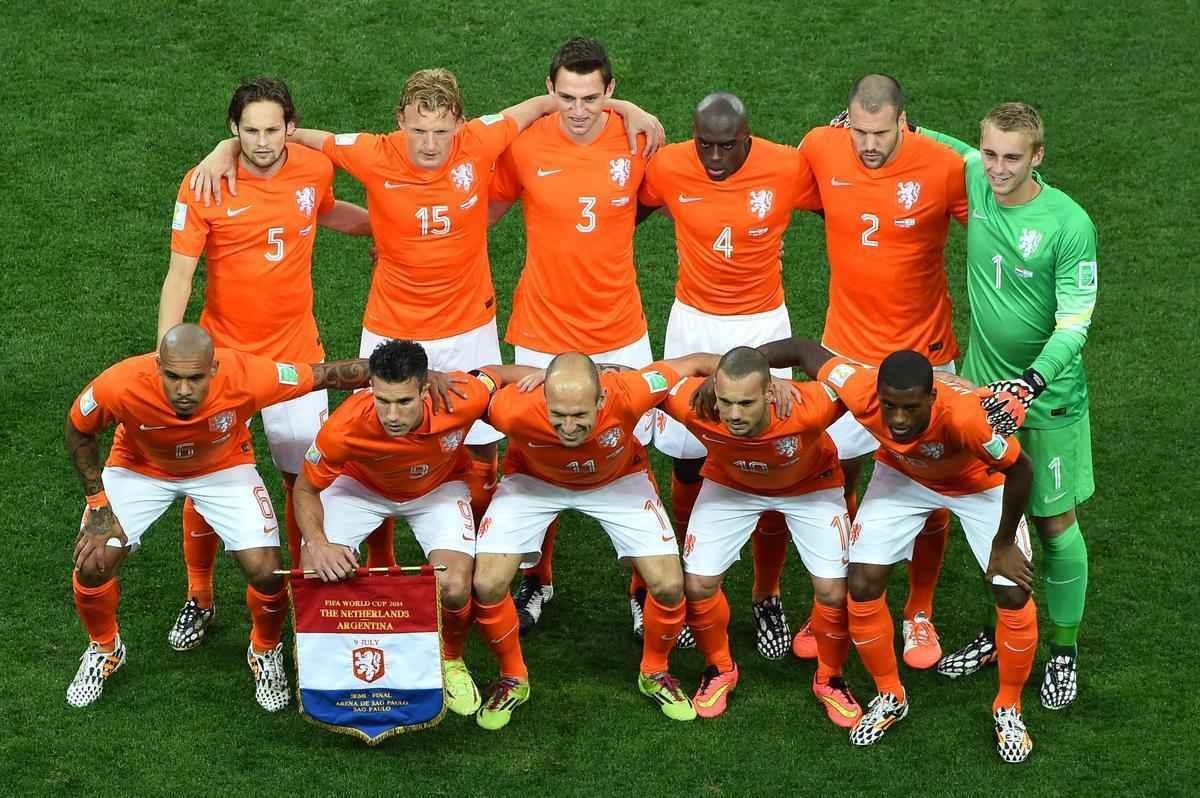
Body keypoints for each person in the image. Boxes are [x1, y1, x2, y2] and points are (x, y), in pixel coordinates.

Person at [188, 67, 663, 537]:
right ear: (399, 120)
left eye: (440, 131)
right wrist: (224, 147)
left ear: (460, 122)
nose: (430, 144)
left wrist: (626, 107)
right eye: (417, 130)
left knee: (481, 444)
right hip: (392, 328)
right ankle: (382, 567)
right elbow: (291, 136)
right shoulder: (371, 152)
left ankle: (477, 543)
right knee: (376, 445)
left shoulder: (482, 139)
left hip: (470, 326)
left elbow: (551, 102)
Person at [162, 76, 372, 652]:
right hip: (223, 361)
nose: (260, 141)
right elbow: (180, 276)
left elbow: (324, 212)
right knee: (206, 479)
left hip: (298, 358)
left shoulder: (312, 169)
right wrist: (170, 360)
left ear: (289, 127)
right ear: (233, 130)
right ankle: (199, 596)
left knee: (303, 476)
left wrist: (389, 228)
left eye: (271, 129)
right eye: (248, 131)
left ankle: (306, 592)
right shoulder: (204, 184)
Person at [755, 335, 1038, 763]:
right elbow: (798, 348)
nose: (898, 418)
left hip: (978, 484)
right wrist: (750, 373)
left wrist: (1003, 545)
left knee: (1011, 589)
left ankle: (1009, 708)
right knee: (863, 583)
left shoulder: (967, 418)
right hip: (904, 476)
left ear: (932, 395)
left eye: (910, 407)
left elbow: (1020, 469)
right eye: (890, 406)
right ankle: (891, 695)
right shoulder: (859, 386)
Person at [65, 324, 372, 711]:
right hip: (140, 468)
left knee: (265, 570)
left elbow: (324, 375)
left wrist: (411, 375)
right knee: (93, 562)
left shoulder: (248, 375)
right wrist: (97, 504)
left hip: (222, 469)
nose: (183, 390)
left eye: (194, 378)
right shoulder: (120, 383)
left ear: (213, 369)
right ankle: (105, 648)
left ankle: (264, 650)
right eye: (173, 377)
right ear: (158, 366)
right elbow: (78, 431)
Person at [787, 74, 969, 667]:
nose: (868, 145)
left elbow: (1001, 217)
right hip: (846, 355)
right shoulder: (820, 146)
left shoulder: (942, 166)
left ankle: (919, 613)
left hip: (925, 361)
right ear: (845, 120)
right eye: (859, 132)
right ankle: (830, 606)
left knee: (932, 486)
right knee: (830, 471)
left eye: (881, 133)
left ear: (903, 120)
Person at [920, 103, 1098, 709]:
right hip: (978, 392)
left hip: (1045, 402)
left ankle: (1064, 650)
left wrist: (1030, 383)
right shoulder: (976, 172)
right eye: (991, 153)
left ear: (1038, 157)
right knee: (996, 521)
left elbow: (1075, 325)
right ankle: (1008, 632)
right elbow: (944, 144)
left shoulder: (1070, 224)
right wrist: (899, 125)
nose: (997, 168)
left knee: (1052, 524)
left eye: (1012, 157)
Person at [487, 37, 665, 634]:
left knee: (631, 454)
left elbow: (653, 199)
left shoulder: (638, 137)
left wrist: (640, 113)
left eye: (591, 97)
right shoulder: (524, 143)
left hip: (621, 329)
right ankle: (539, 578)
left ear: (611, 92)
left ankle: (643, 587)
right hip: (542, 328)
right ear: (549, 91)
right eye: (566, 97)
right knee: (538, 452)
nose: (579, 109)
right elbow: (480, 210)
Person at [637, 92, 817, 659]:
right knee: (687, 454)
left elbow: (845, 198)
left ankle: (767, 594)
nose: (713, 157)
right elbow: (625, 214)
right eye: (704, 144)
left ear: (749, 137)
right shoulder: (667, 166)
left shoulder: (787, 165)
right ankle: (688, 584)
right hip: (693, 324)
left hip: (765, 322)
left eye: (726, 145)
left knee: (770, 450)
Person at [468, 352, 721, 729]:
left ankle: (654, 672)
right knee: (486, 583)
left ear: (602, 398)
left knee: (669, 586)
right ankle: (512, 678)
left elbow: (700, 361)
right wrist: (527, 374)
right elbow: (482, 378)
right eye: (558, 414)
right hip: (535, 485)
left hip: (617, 482)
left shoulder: (631, 390)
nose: (568, 427)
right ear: (546, 399)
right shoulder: (513, 408)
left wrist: (755, 381)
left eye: (580, 415)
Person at [292, 339, 542, 717]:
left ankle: (451, 660)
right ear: (370, 389)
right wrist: (317, 541)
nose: (392, 414)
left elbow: (499, 374)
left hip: (437, 490)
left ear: (425, 390)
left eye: (404, 402)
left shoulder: (460, 397)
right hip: (361, 489)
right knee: (315, 568)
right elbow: (306, 487)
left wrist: (550, 376)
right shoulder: (343, 427)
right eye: (383, 400)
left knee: (456, 586)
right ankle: (335, 667)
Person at [659, 347, 862, 726]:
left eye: (747, 403)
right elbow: (626, 384)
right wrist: (575, 374)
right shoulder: (696, 405)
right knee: (698, 584)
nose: (734, 415)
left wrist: (950, 385)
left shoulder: (810, 405)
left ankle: (830, 678)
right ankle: (719, 669)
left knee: (834, 591)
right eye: (727, 402)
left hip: (809, 488)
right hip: (731, 485)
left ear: (770, 393)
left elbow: (868, 384)